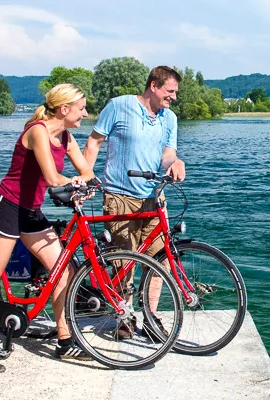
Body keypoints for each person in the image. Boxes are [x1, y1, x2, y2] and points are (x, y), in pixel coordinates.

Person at [0, 84, 95, 374]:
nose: (85, 113)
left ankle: (64, 340)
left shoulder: (67, 136)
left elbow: (87, 171)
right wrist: (73, 183)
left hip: (31, 213)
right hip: (8, 207)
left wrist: (86, 182)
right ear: (64, 109)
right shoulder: (38, 131)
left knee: (64, 271)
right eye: (81, 108)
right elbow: (51, 176)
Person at [83, 66, 185, 339]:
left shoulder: (169, 118)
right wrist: (86, 176)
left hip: (154, 197)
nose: (173, 97)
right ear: (154, 85)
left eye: (175, 92)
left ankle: (151, 318)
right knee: (122, 263)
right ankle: (124, 319)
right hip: (119, 196)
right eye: (169, 91)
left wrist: (174, 162)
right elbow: (94, 143)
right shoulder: (119, 106)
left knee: (158, 261)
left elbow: (167, 153)